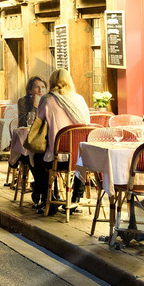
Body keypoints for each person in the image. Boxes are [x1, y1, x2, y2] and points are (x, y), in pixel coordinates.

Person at [31, 68, 89, 216]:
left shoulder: (47, 99)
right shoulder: (79, 99)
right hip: (80, 159)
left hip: (57, 158)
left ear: (51, 83)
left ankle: (51, 197)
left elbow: (39, 119)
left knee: (36, 157)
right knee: (80, 158)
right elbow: (87, 123)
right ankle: (76, 196)